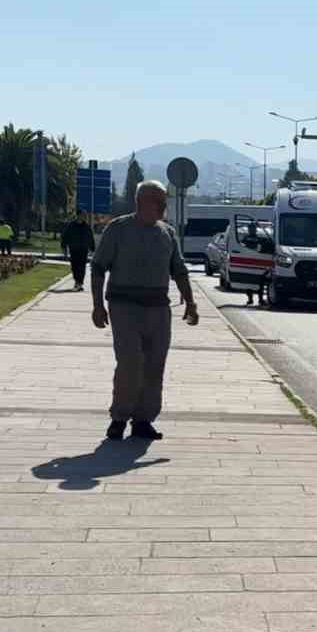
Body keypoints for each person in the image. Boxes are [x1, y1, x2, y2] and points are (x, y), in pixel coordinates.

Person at [90, 180, 198, 441]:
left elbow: (179, 270)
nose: (163, 207)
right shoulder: (118, 229)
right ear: (141, 202)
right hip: (124, 307)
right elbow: (98, 267)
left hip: (158, 310)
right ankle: (119, 418)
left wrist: (190, 302)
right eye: (158, 202)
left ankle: (143, 420)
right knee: (129, 363)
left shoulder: (167, 233)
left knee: (154, 366)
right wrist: (97, 305)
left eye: (164, 202)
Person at [60, 212, 95, 290]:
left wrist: (92, 248)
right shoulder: (71, 225)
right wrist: (64, 246)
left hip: (83, 249)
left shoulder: (86, 227)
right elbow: (65, 236)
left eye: (84, 216)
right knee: (74, 266)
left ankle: (80, 283)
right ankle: (77, 281)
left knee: (82, 266)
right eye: (82, 215)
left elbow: (90, 237)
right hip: (74, 249)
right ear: (78, 216)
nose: (83, 217)